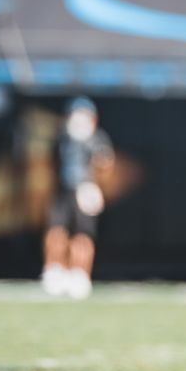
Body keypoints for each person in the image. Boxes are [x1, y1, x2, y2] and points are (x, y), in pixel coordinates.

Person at [41, 97, 113, 299]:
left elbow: (106, 166)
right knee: (56, 230)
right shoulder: (62, 138)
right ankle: (54, 270)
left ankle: (80, 273)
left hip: (85, 191)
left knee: (82, 234)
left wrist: (94, 187)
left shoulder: (97, 139)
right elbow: (52, 164)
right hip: (63, 190)